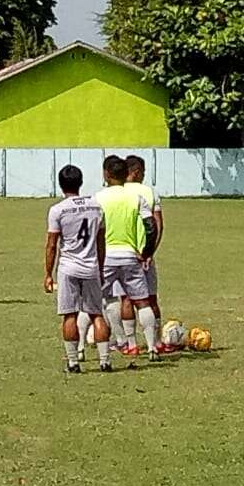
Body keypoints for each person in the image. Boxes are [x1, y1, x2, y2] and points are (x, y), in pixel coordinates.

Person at [45, 165, 112, 374]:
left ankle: (73, 362)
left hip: (68, 268)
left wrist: (48, 274)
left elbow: (52, 244)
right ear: (80, 182)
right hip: (91, 266)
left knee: (69, 315)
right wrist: (100, 267)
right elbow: (101, 242)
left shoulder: (57, 210)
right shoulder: (96, 208)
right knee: (96, 314)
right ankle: (105, 360)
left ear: (60, 184)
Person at [95, 155, 161, 362]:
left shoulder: (98, 197)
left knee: (101, 301)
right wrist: (147, 252)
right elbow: (151, 226)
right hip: (131, 255)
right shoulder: (137, 197)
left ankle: (121, 343)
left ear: (106, 174)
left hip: (106, 257)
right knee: (142, 302)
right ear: (127, 174)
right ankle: (152, 348)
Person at [125, 154, 175, 352]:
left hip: (121, 252)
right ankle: (156, 343)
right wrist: (150, 251)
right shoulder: (149, 192)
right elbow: (158, 225)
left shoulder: (114, 191)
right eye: (143, 172)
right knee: (150, 298)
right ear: (136, 171)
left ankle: (129, 344)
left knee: (125, 299)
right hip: (144, 253)